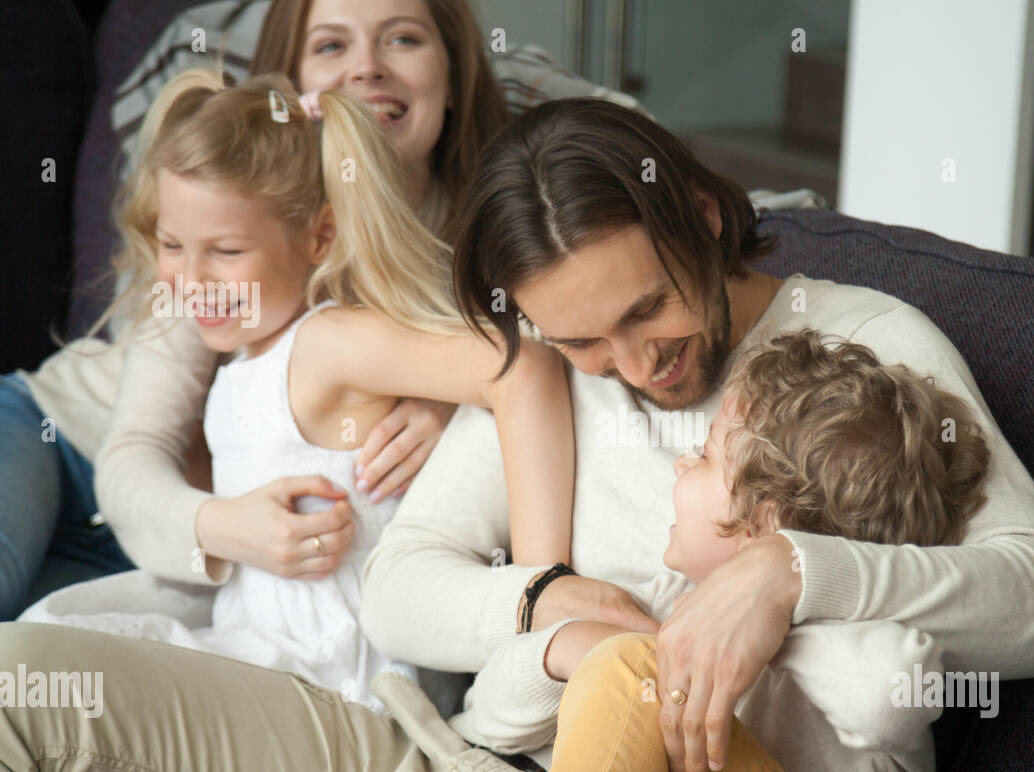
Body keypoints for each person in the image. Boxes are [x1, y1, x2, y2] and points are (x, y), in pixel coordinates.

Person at [0, 98, 1034, 772]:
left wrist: (786, 571)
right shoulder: (553, 360)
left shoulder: (865, 347)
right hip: (460, 757)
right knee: (14, 681)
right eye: (581, 341)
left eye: (646, 310)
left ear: (703, 220)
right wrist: (543, 605)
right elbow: (401, 586)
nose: (633, 366)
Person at [1, 0, 639, 619]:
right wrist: (223, 525)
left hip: (197, 567)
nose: (366, 68)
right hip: (66, 442)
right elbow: (132, 453)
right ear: (295, 84)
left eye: (403, 39)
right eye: (331, 45)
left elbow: (634, 164)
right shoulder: (234, 206)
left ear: (455, 77)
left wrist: (457, 402)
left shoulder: (499, 231)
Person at [377, 329, 990, 772]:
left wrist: (777, 627)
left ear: (766, 522)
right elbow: (492, 718)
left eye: (703, 456)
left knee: (634, 674)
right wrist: (563, 650)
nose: (680, 466)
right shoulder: (672, 598)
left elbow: (890, 692)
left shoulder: (846, 621)